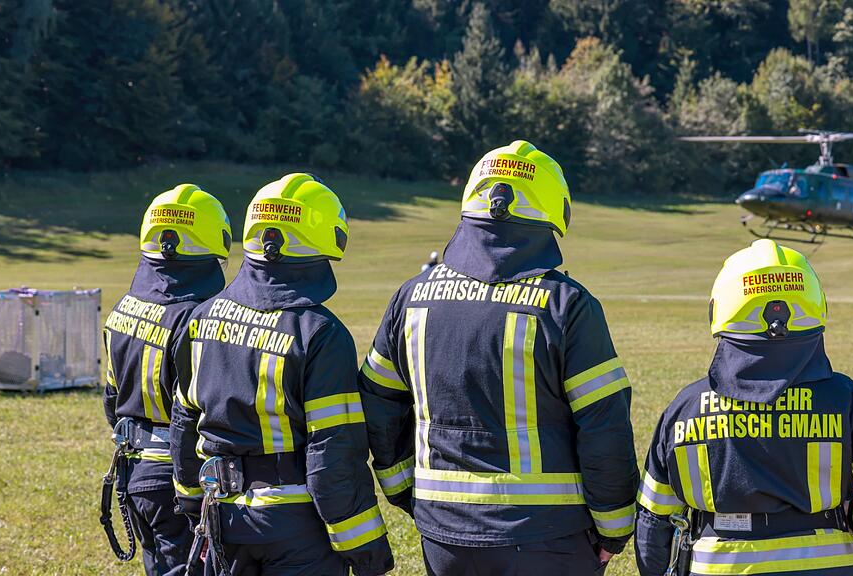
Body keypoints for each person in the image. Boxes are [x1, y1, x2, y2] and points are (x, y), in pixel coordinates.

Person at [358, 140, 639, 576]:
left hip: (443, 533)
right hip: (548, 537)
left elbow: (377, 401)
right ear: (552, 213)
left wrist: (403, 490)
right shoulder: (567, 305)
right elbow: (604, 424)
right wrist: (614, 528)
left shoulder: (411, 297)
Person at [634, 239, 853, 576]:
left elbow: (653, 524)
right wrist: (852, 514)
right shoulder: (849, 400)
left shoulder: (683, 409)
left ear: (719, 311)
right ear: (816, 309)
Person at [169, 173, 394, 576]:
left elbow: (184, 423)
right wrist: (364, 545)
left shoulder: (200, 318)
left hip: (221, 516)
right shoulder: (320, 333)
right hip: (294, 526)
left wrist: (190, 501)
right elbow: (332, 453)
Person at [101, 184, 231, 575]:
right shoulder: (195, 316)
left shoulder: (124, 305)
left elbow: (111, 397)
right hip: (177, 480)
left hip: (135, 470)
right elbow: (199, 413)